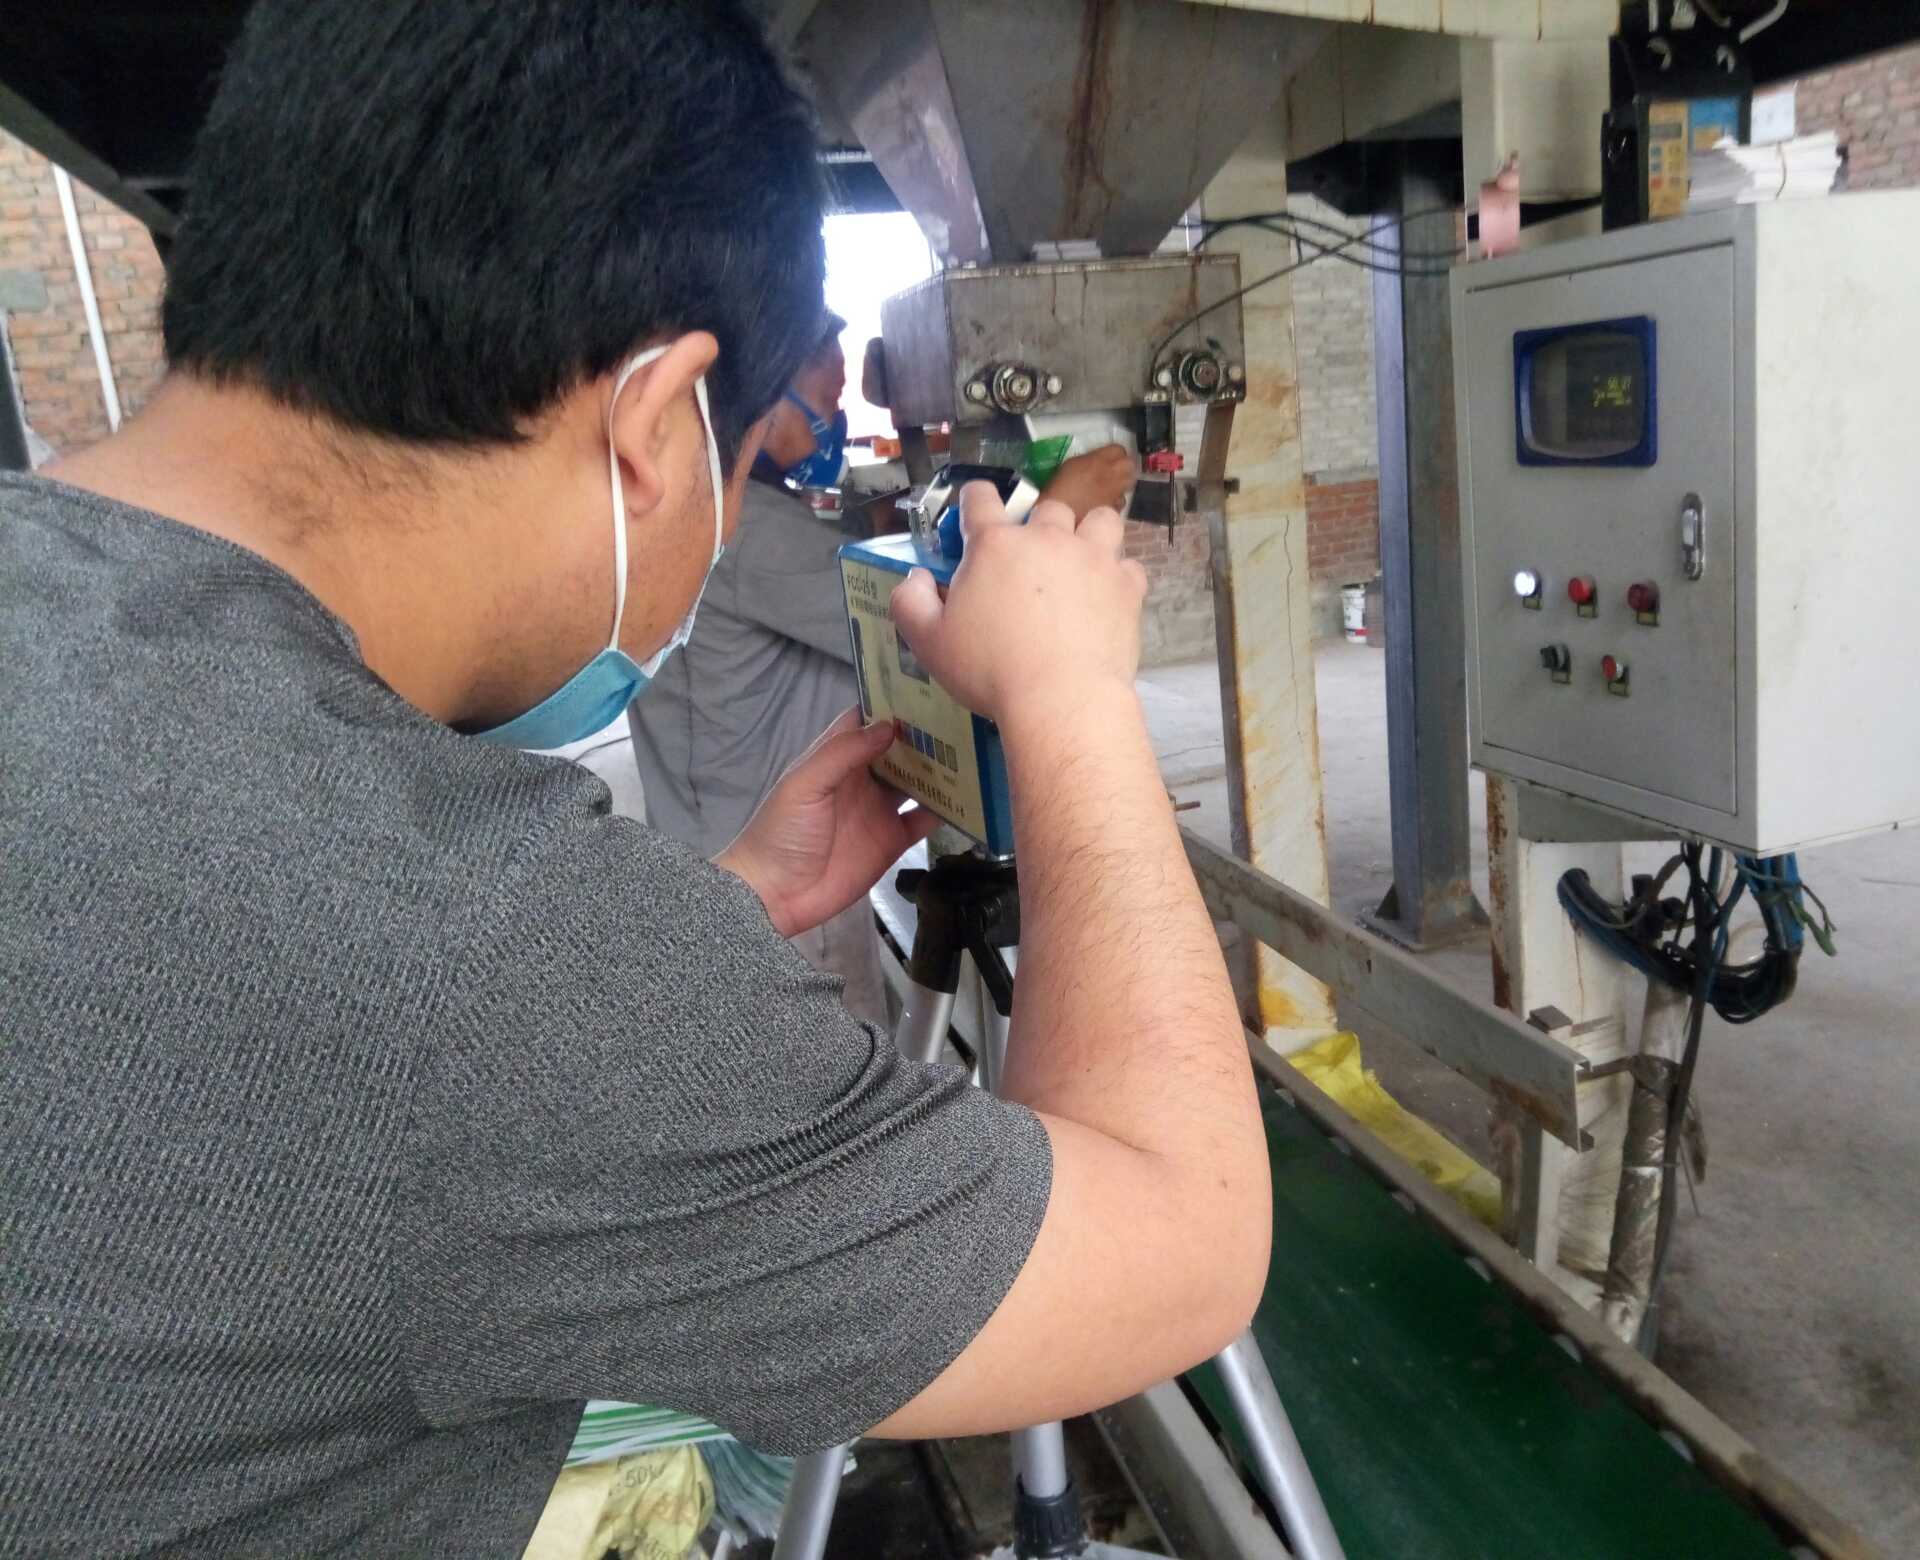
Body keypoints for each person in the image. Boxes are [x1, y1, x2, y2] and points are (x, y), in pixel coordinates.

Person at [0, 3, 1267, 1556]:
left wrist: (707, 919)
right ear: (660, 418)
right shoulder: (487, 951)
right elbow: (1182, 1243)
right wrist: (1071, 699)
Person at [630, 320, 1137, 1026]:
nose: (835, 419)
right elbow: (946, 622)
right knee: (822, 1069)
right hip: (763, 876)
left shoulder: (734, 510)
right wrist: (1059, 507)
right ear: (763, 393)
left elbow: (850, 551)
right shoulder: (751, 536)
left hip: (748, 850)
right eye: (824, 399)